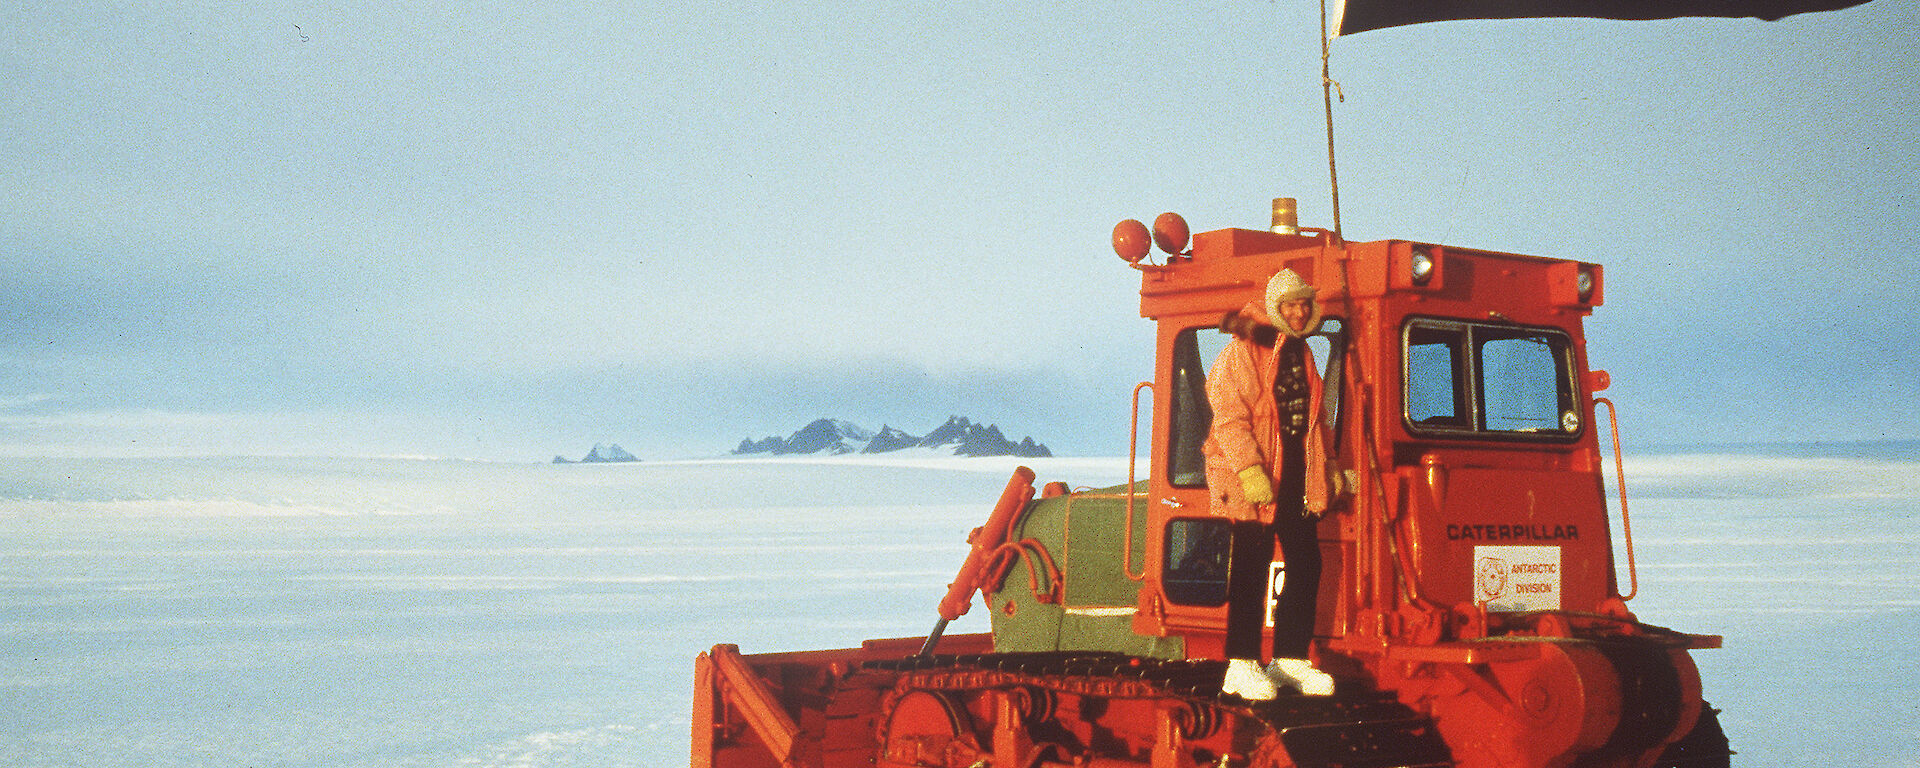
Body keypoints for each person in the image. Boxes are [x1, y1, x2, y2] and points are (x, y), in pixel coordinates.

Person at [1202, 268, 1338, 700]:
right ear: (1273, 307)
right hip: (1255, 476)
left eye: (1303, 304)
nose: (1298, 313)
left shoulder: (1302, 352)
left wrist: (1330, 465)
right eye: (1289, 305)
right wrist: (1248, 470)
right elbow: (1228, 417)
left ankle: (1289, 658)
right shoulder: (1242, 351)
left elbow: (1314, 420)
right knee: (1250, 567)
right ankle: (1240, 665)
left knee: (1306, 561)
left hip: (1294, 472)